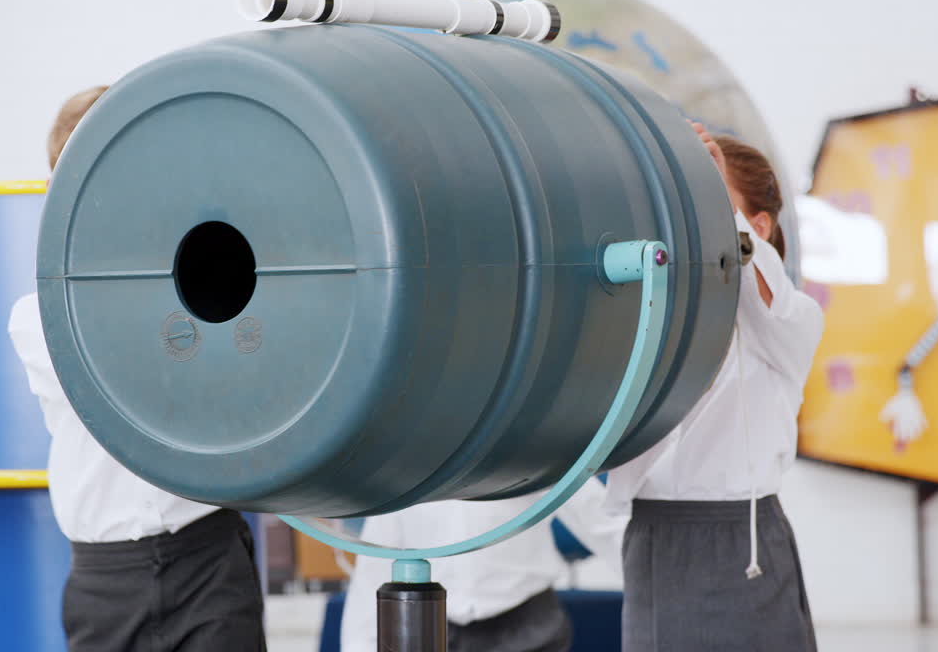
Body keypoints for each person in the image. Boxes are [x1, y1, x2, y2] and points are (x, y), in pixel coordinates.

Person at [8, 86, 267, 652]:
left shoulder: (204, 285)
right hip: (108, 579)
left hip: (207, 557)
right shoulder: (37, 317)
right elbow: (135, 369)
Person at [605, 124, 823, 651]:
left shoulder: (791, 319)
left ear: (759, 225)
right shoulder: (654, 317)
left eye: (710, 203)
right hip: (654, 537)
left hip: (741, 542)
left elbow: (765, 294)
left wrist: (714, 201)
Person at [341, 477, 625, 652]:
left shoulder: (532, 446)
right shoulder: (402, 472)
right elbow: (374, 568)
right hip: (438, 628)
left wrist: (647, 588)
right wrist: (360, 645)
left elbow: (604, 524)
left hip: (529, 624)